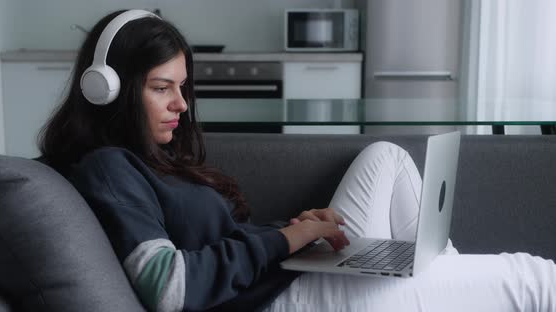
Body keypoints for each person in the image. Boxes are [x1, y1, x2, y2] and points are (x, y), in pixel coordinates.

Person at [39, 9, 556, 312]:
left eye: (183, 88)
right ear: (107, 90)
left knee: (388, 156)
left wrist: (293, 230)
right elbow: (170, 286)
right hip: (283, 304)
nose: (181, 104)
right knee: (533, 277)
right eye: (161, 88)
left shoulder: (147, 157)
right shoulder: (108, 168)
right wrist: (288, 239)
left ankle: (433, 280)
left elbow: (221, 243)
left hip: (285, 274)